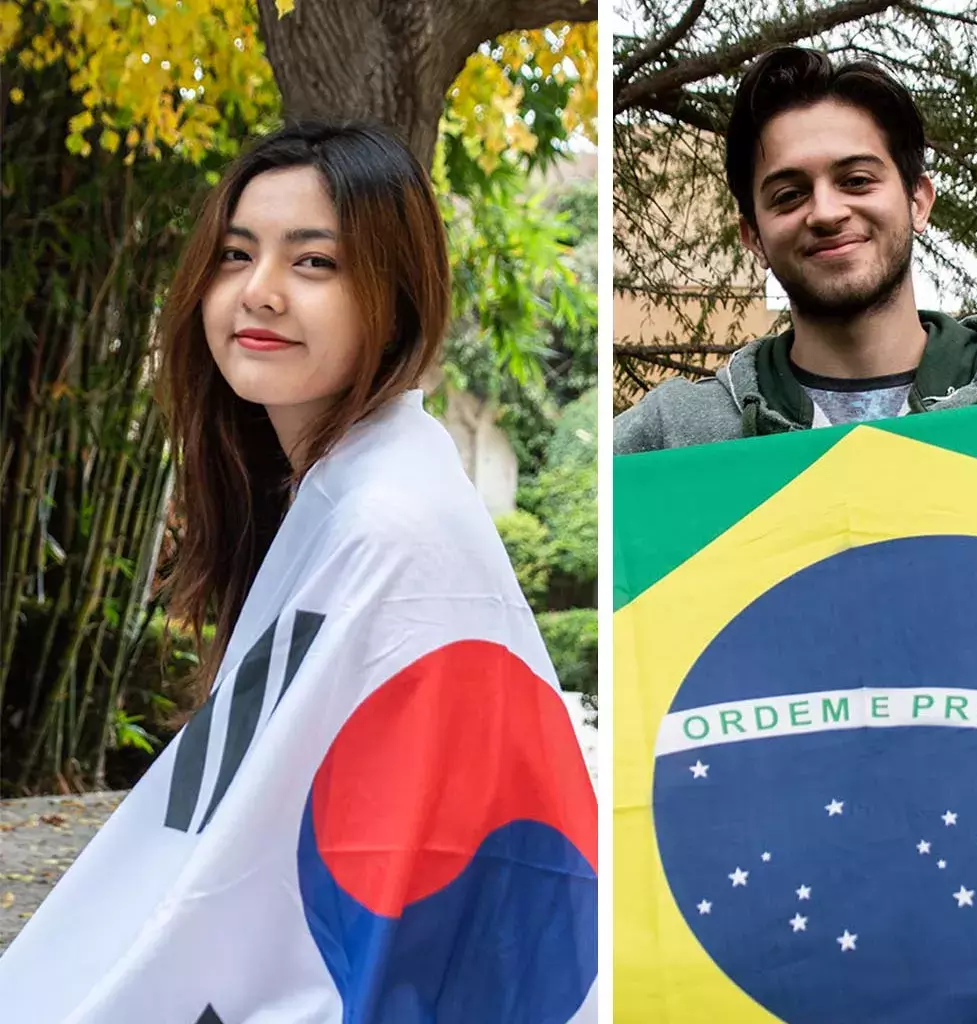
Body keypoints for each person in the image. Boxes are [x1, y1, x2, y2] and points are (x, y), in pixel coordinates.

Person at [0, 122, 596, 1022]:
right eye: (237, 254)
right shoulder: (343, 487)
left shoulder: (387, 522)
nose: (260, 292)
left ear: (394, 297)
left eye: (314, 263)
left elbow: (250, 870)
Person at [612, 46, 977, 453]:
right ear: (754, 237)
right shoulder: (670, 437)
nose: (826, 212)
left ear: (918, 200)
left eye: (856, 180)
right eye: (789, 194)